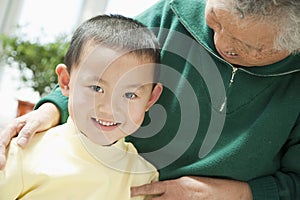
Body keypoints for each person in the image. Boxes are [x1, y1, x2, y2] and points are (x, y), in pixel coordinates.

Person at [1, 0, 300, 199]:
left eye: (246, 46)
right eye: (215, 22)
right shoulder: (29, 158)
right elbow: (100, 61)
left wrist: (244, 193)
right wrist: (53, 107)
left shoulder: (142, 172)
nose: (220, 43)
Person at [0, 14, 163, 199]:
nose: (109, 109)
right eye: (96, 88)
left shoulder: (144, 178)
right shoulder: (22, 153)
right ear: (66, 81)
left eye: (129, 95)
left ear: (150, 99)